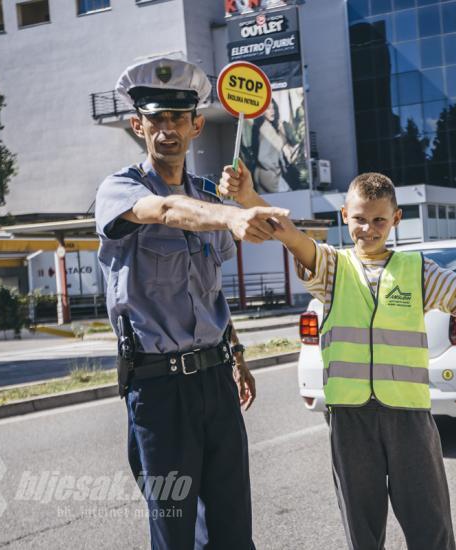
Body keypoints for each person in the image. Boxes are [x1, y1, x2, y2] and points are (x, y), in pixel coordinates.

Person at [219, 167, 456, 550]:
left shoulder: (416, 271)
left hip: (408, 418)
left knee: (430, 529)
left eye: (378, 220)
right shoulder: (332, 268)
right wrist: (248, 199)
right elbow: (288, 235)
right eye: (359, 219)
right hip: (350, 418)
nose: (368, 229)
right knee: (362, 532)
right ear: (344, 216)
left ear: (396, 220)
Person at [94, 57, 288, 550]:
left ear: (197, 125)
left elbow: (212, 291)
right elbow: (163, 209)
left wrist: (238, 357)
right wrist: (227, 216)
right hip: (159, 391)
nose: (166, 131)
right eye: (155, 119)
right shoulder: (121, 189)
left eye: (177, 119)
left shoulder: (208, 194)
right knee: (176, 532)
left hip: (215, 382)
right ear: (137, 125)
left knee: (231, 531)